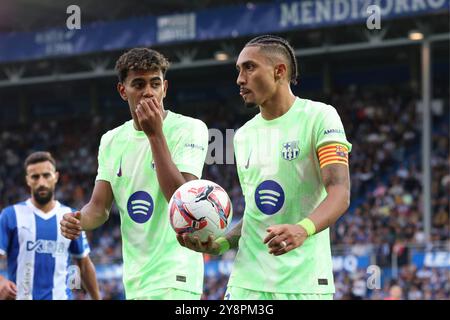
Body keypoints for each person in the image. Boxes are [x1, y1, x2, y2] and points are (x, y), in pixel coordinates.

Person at [178, 35, 351, 300]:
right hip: (246, 283)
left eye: (249, 67)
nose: (240, 79)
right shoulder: (244, 135)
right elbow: (253, 215)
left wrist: (302, 228)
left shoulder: (320, 117)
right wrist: (221, 243)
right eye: (238, 70)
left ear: (279, 71)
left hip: (304, 283)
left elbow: (340, 192)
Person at [60, 48, 209, 300]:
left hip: (176, 276)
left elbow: (182, 203)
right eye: (138, 84)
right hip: (136, 280)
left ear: (165, 88)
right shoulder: (111, 140)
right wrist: (78, 220)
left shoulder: (190, 129)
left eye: (155, 83)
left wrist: (155, 135)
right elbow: (99, 208)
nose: (148, 91)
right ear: (122, 91)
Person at [0, 151, 100, 300]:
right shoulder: (10, 215)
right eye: (35, 177)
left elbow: (84, 264)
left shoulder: (70, 217)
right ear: (27, 180)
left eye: (46, 175)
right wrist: (1, 282)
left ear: (56, 177)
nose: (41, 182)